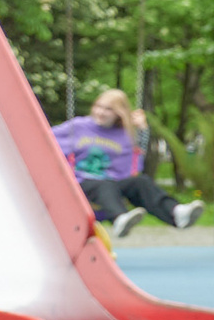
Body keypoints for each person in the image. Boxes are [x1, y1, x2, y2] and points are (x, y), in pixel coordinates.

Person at [54, 87, 202, 235]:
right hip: (82, 183)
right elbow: (45, 138)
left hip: (112, 183)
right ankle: (119, 218)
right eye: (98, 106)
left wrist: (142, 130)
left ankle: (176, 212)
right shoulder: (78, 126)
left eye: (108, 109)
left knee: (141, 182)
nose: (100, 112)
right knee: (104, 185)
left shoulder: (125, 134)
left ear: (119, 113)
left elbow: (136, 161)